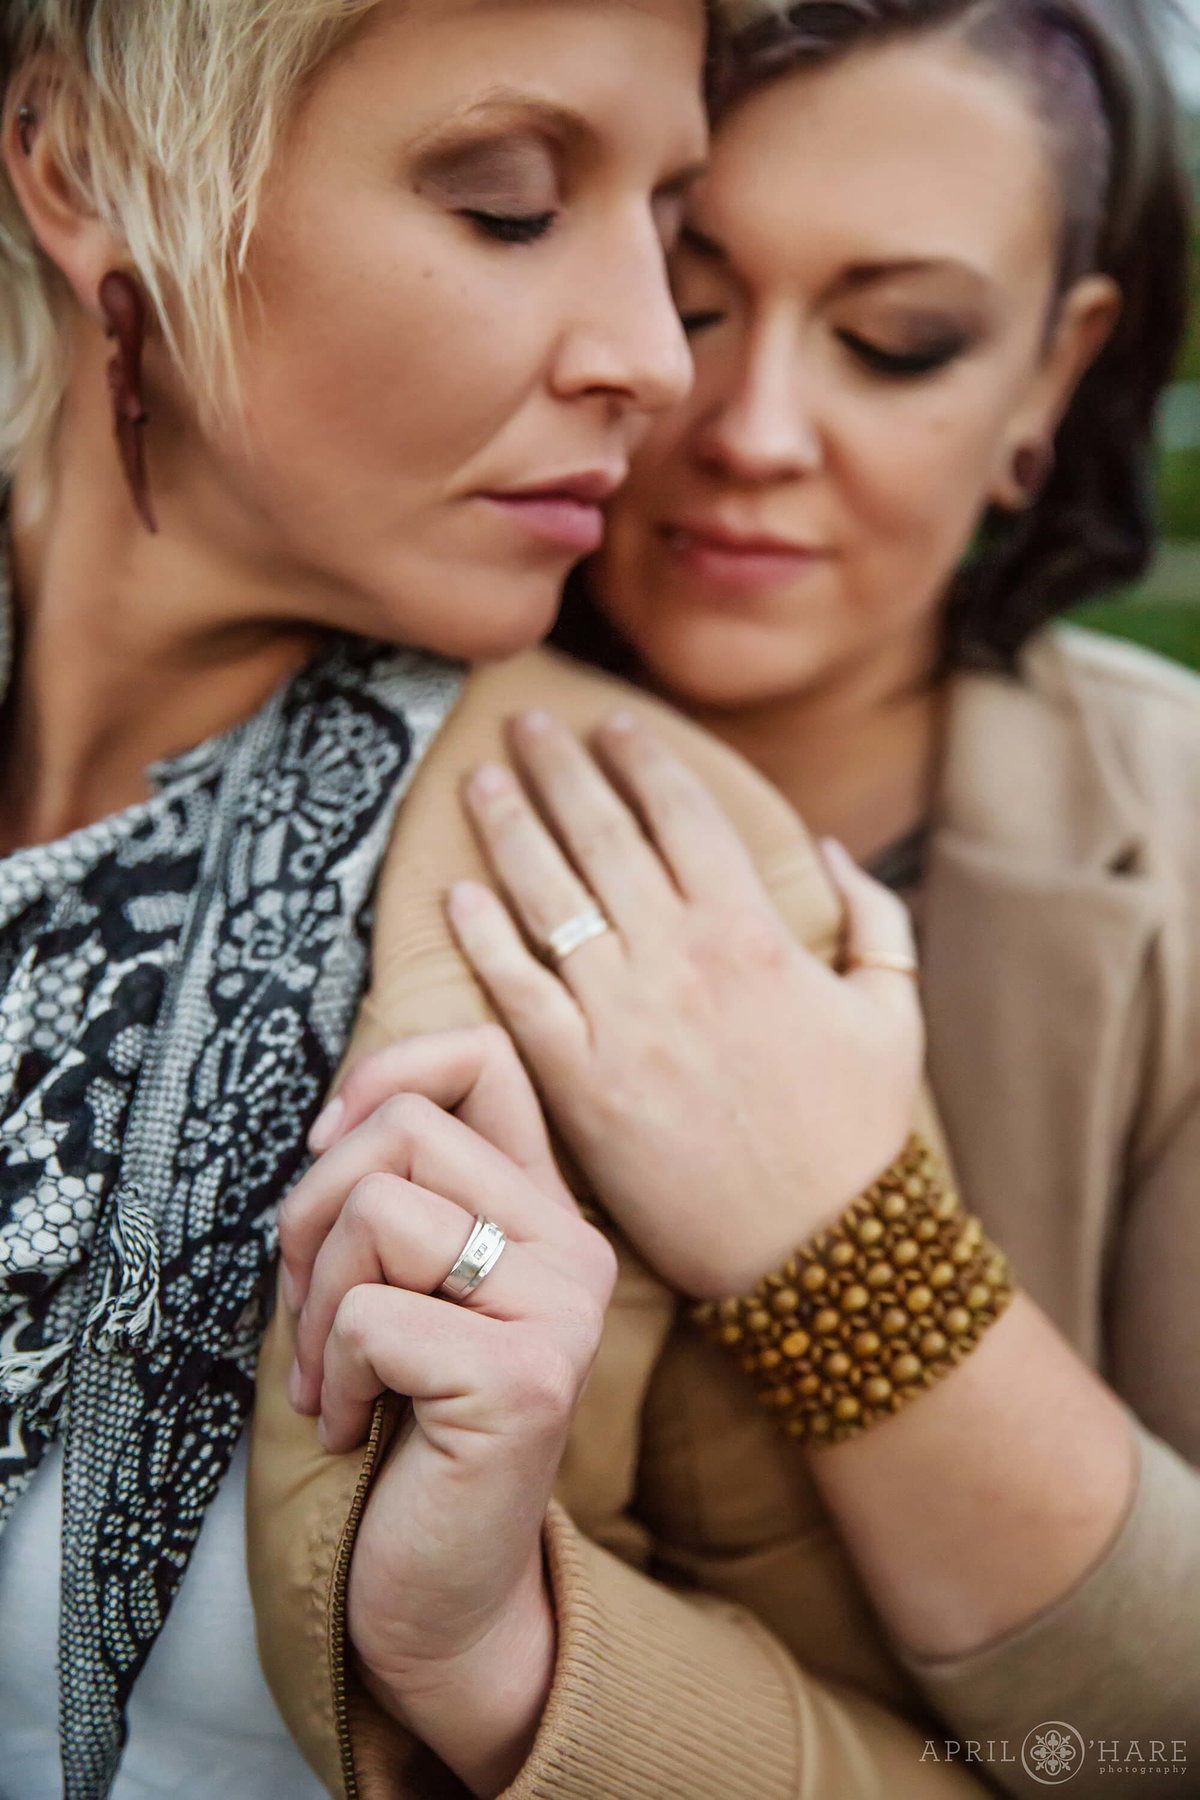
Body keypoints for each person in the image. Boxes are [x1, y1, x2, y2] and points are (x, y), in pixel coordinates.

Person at [316, 1, 1200, 1793]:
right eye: (691, 298)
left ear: (1051, 372)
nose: (749, 427)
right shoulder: (292, 745)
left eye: (899, 341)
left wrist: (844, 1243)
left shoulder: (1180, 838)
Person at [0, 2, 717, 1795]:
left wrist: (503, 1664)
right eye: (505, 203)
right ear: (84, 168)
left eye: (671, 231)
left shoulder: (642, 879)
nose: (658, 354)